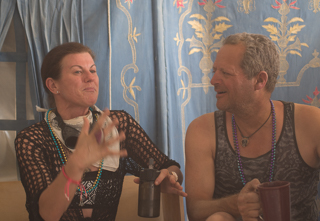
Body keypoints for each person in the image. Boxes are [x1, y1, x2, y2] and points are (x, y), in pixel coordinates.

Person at [15, 42, 187, 221]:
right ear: (52, 85)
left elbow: (168, 166)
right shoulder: (32, 139)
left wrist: (171, 176)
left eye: (93, 70)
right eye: (77, 71)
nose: (90, 78)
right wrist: (76, 165)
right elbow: (48, 214)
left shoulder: (117, 124)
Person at [185, 32, 320, 221]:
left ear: (259, 81)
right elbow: (195, 210)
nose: (213, 80)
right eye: (215, 70)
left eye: (225, 73)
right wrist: (235, 204)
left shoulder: (312, 122)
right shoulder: (202, 131)